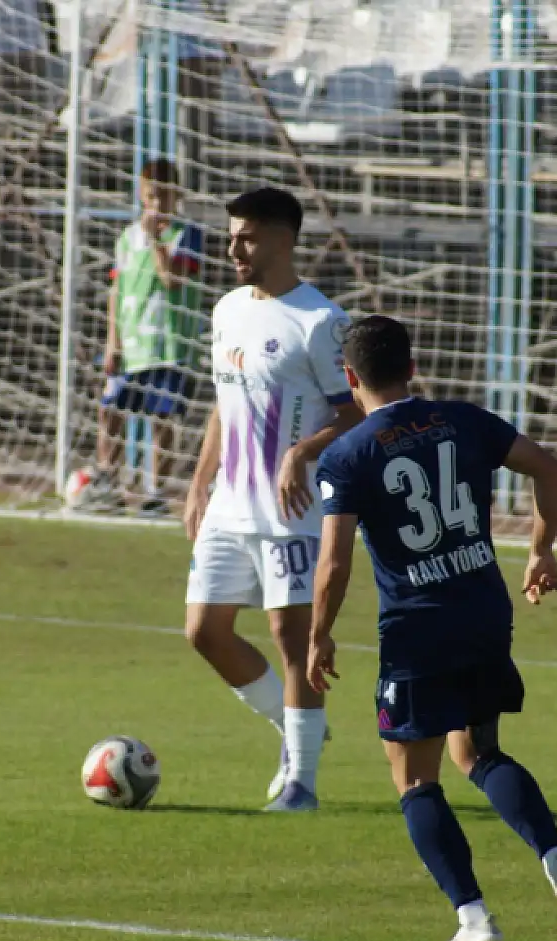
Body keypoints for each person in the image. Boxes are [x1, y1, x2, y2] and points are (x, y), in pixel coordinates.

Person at [306, 315, 557, 941]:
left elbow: (333, 564)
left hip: (417, 626)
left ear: (351, 378)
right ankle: (554, 851)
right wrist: (541, 551)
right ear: (412, 366)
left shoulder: (349, 454)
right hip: (485, 610)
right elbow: (549, 469)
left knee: (413, 778)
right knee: (481, 752)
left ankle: (473, 918)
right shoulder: (466, 420)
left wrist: (319, 635)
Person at [183, 186, 362, 811]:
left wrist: (301, 451)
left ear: (284, 241)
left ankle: (301, 784)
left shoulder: (320, 322)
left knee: (291, 639)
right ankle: (293, 731)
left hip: (293, 511)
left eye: (247, 236)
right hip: (230, 507)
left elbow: (357, 412)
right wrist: (200, 481)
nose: (233, 246)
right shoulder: (228, 309)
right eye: (232, 234)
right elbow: (224, 403)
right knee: (204, 631)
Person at [79, 158, 207, 514]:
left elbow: (172, 279)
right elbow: (117, 291)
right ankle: (108, 483)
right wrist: (112, 342)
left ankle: (156, 493)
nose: (156, 203)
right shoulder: (127, 236)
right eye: (150, 195)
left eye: (163, 196)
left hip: (168, 344)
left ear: (176, 195)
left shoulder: (186, 234)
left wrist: (156, 240)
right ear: (141, 193)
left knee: (161, 419)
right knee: (110, 410)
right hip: (131, 346)